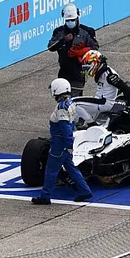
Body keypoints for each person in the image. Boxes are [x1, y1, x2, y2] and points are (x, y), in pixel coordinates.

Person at [34, 78, 93, 206]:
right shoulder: (70, 103)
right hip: (65, 143)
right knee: (71, 168)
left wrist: (68, 144)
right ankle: (85, 190)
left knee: (51, 170)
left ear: (57, 90)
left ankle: (45, 196)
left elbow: (64, 127)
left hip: (59, 144)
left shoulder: (61, 107)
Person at [46, 4, 99, 97]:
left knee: (74, 101)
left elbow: (95, 47)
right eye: (68, 20)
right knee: (62, 99)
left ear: (77, 17)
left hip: (79, 73)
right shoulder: (58, 32)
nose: (70, 22)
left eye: (72, 20)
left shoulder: (87, 31)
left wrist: (80, 52)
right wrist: (63, 40)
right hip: (64, 71)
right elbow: (51, 47)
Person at [77, 49, 130, 125]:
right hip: (100, 101)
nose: (87, 70)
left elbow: (125, 89)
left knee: (75, 103)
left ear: (95, 62)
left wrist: (128, 106)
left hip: (104, 103)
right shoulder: (101, 71)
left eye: (87, 68)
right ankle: (87, 125)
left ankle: (91, 124)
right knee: (76, 103)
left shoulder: (109, 75)